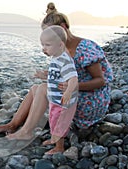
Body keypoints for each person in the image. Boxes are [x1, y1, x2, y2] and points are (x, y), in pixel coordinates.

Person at [0, 4, 113, 153]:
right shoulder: (60, 49)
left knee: (43, 88)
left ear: (63, 27)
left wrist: (72, 86)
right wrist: (48, 74)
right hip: (73, 94)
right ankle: (14, 124)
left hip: (91, 100)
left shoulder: (85, 48)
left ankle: (26, 131)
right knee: (36, 87)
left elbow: (100, 81)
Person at [40, 25, 78, 154]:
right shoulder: (56, 58)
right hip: (56, 100)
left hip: (63, 101)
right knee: (53, 119)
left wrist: (68, 92)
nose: (44, 48)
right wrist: (45, 75)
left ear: (60, 45)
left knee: (59, 122)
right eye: (43, 45)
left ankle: (59, 147)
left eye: (47, 45)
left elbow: (73, 79)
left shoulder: (64, 60)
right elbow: (57, 76)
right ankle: (54, 139)